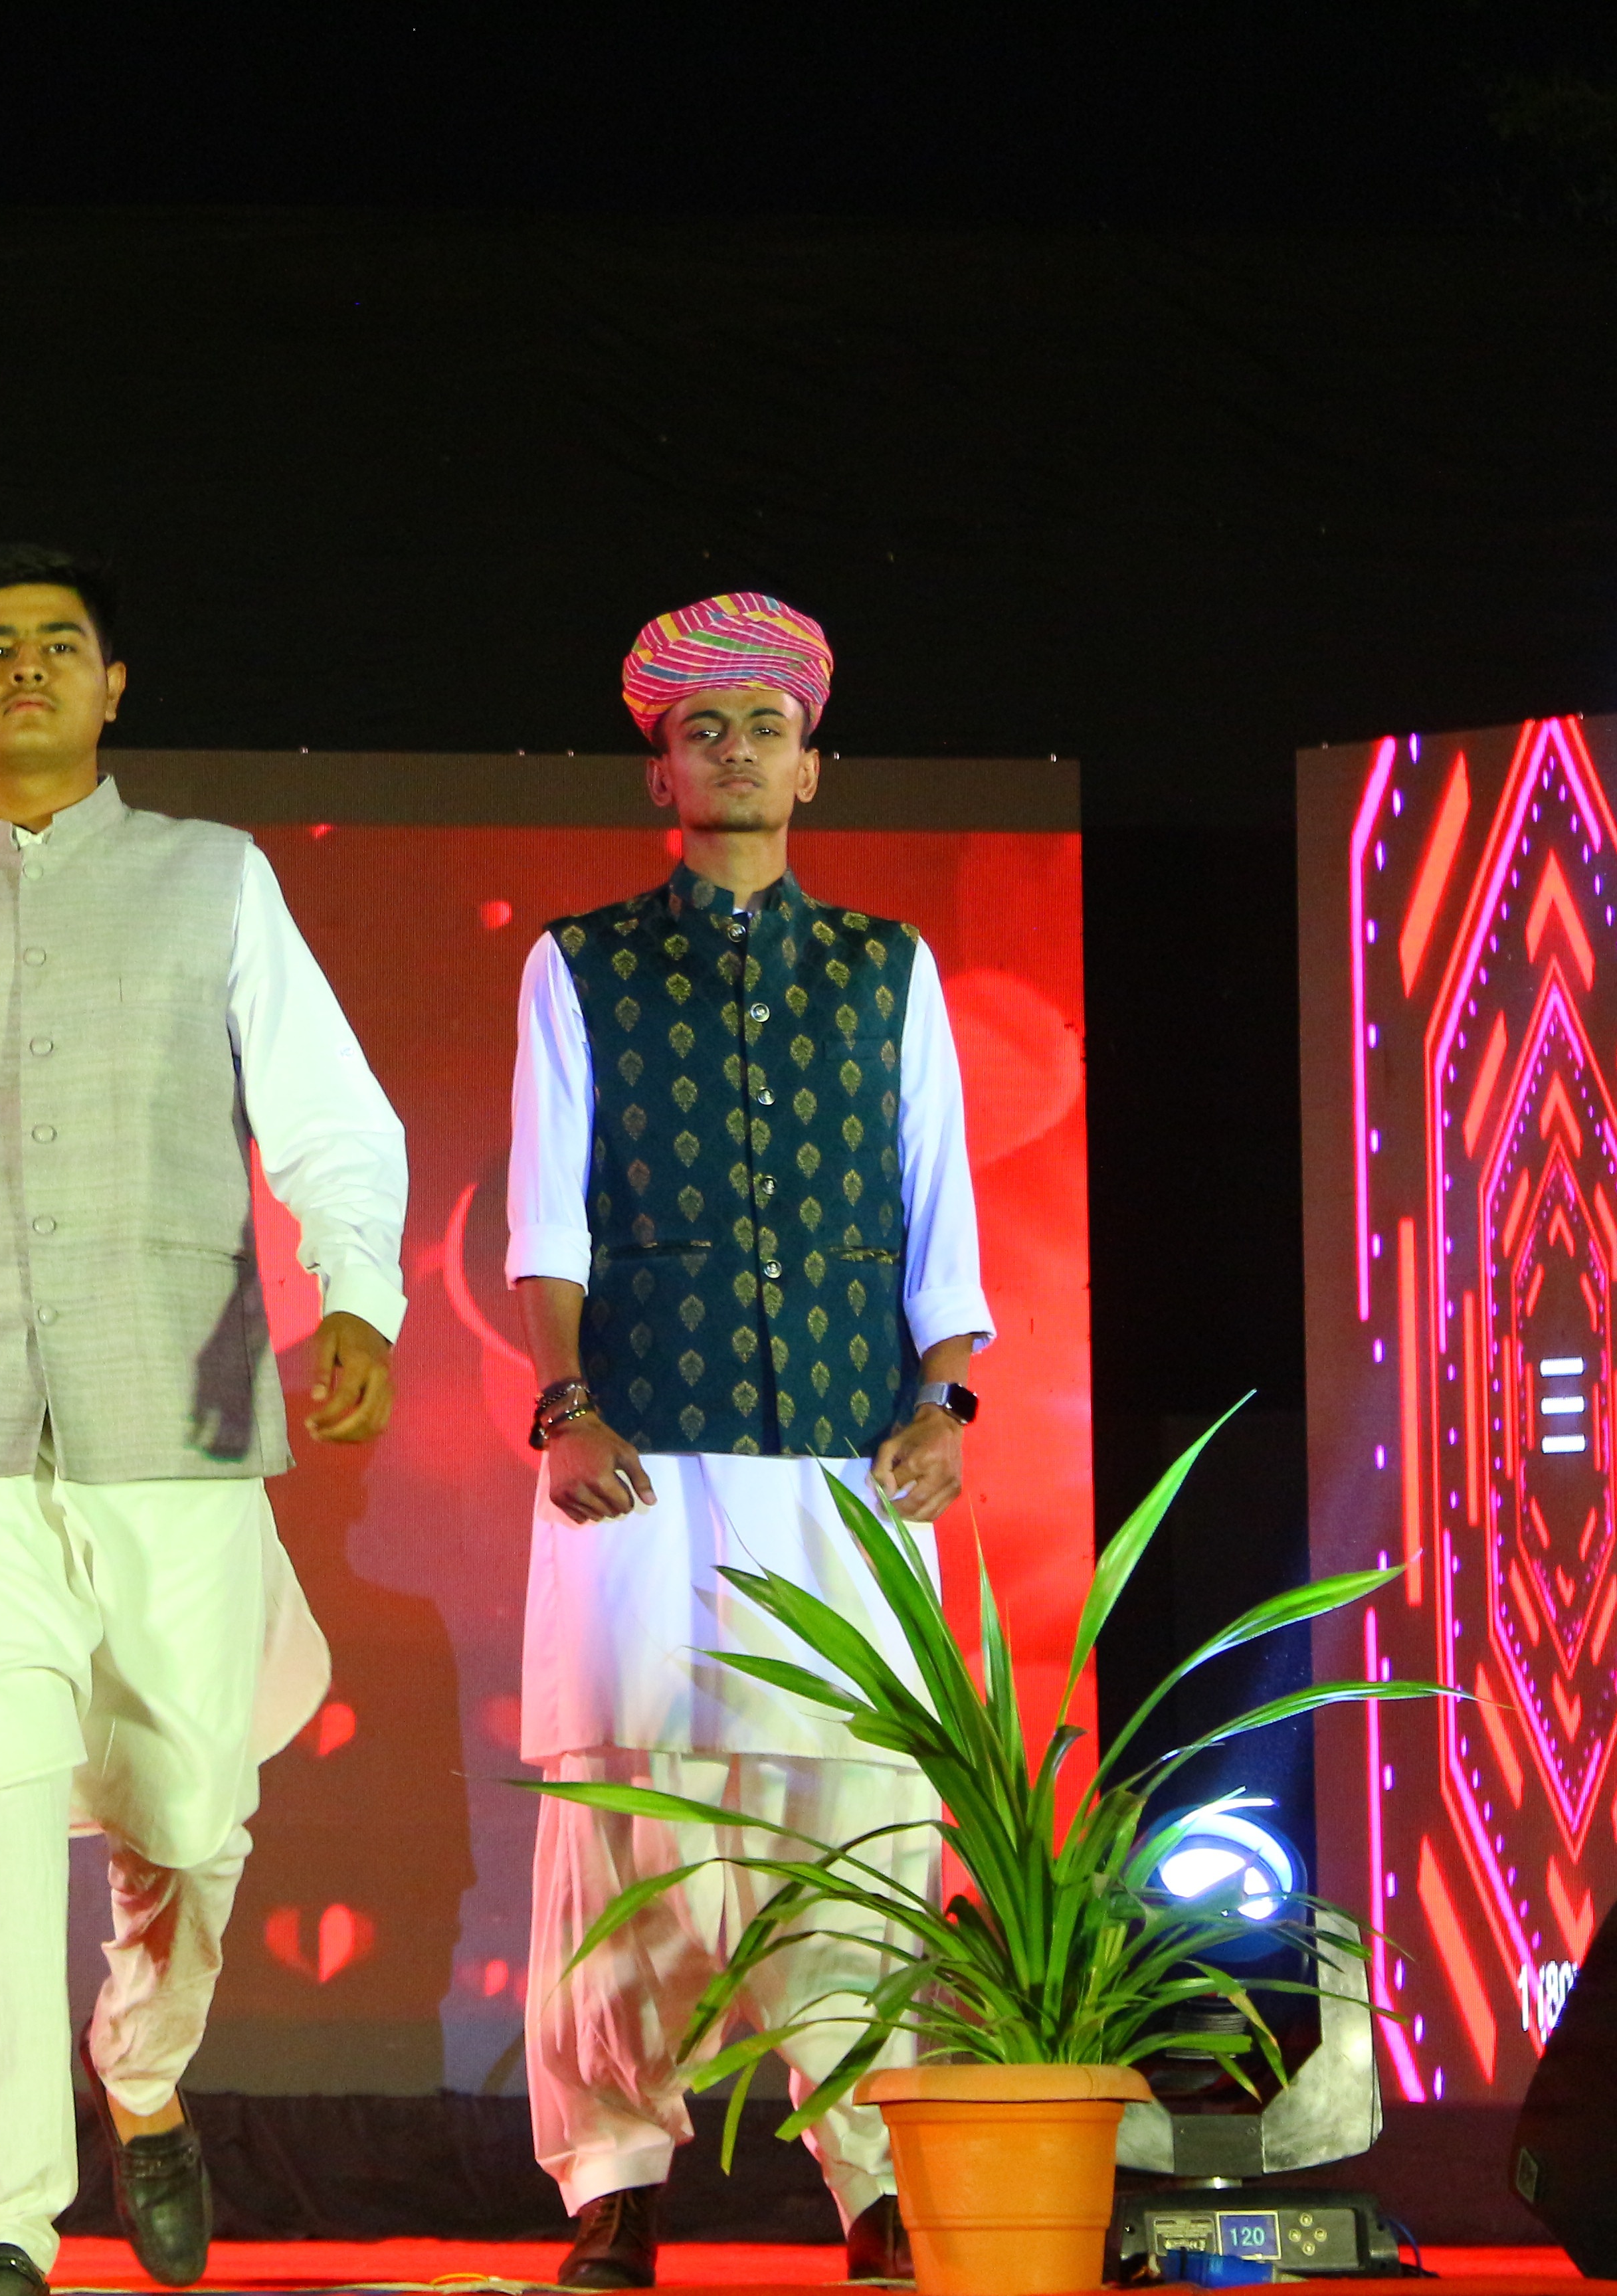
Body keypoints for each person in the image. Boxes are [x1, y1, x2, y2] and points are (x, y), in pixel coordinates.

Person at [0, 546, 408, 2296]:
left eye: (61, 646)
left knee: (190, 1821)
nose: (26, 669)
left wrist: (358, 1296)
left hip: (177, 1418)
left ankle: (146, 2072)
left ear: (114, 687)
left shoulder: (215, 878)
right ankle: (6, 2219)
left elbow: (332, 1116)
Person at [504, 593, 992, 2287]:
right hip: (639, 1461)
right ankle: (616, 2179)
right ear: (662, 774)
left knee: (862, 1816)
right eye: (700, 731)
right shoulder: (576, 962)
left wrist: (945, 1401)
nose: (734, 753)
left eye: (765, 728)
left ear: (811, 768)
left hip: (854, 1463)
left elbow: (940, 1214)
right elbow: (548, 1217)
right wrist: (566, 1407)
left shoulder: (888, 968)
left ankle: (875, 2181)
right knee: (626, 1813)